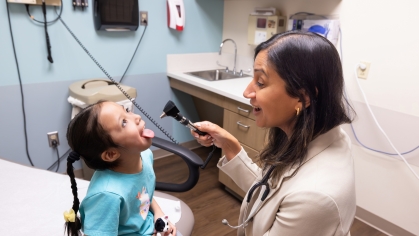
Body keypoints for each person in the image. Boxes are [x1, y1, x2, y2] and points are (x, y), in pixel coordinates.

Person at [191, 31, 356, 236]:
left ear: (303, 97)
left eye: (260, 82)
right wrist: (229, 145)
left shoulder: (314, 197)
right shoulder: (311, 136)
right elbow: (267, 194)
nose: (247, 92)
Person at [64, 101, 177, 236]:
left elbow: (142, 193)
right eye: (124, 122)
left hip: (147, 226)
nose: (137, 117)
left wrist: (159, 214)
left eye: (127, 111)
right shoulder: (107, 195)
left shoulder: (145, 156)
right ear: (111, 154)